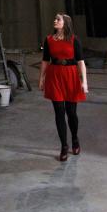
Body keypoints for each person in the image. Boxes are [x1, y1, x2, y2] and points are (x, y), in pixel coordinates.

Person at [38, 13, 88, 161]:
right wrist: (41, 78)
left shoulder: (74, 40)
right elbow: (45, 61)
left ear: (65, 23)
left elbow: (80, 62)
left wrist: (84, 81)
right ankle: (64, 146)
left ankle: (75, 139)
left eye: (58, 19)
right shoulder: (49, 40)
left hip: (71, 76)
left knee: (71, 113)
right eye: (55, 19)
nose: (55, 21)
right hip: (55, 76)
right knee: (59, 112)